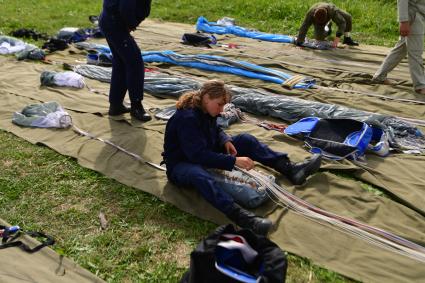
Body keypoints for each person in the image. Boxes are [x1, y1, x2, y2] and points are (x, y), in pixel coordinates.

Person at [162, 80, 322, 236]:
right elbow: (197, 155)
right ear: (206, 97)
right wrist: (234, 161)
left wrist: (225, 139)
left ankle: (291, 169)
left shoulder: (206, 109)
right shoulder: (188, 118)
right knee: (198, 174)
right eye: (219, 104)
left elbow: (215, 128)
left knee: (246, 140)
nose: (221, 110)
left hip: (203, 151)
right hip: (181, 165)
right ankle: (243, 218)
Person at [99, 0, 152, 121]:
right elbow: (126, 8)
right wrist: (130, 24)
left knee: (121, 62)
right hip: (116, 23)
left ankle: (116, 105)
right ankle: (136, 107)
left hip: (110, 20)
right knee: (135, 63)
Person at [372, 0, 425, 95]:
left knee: (402, 48)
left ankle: (379, 76)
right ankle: (420, 86)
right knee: (416, 51)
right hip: (413, 14)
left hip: (420, 12)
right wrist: (404, 20)